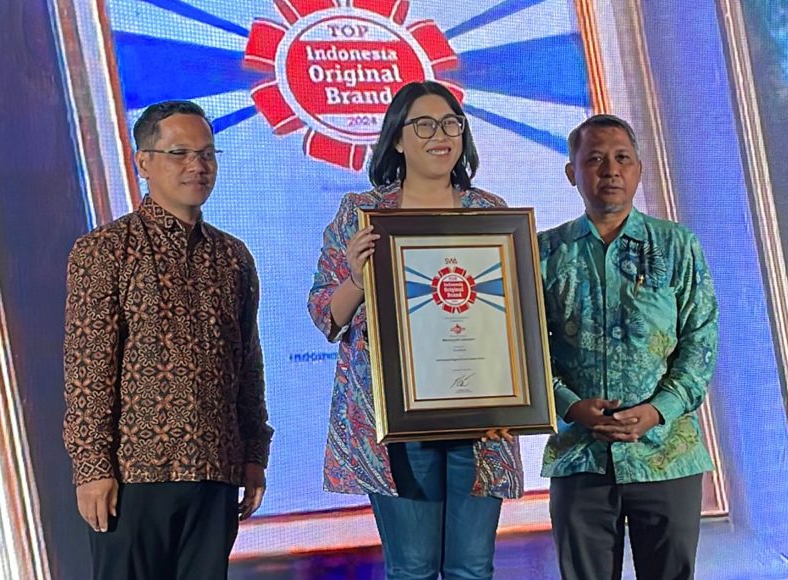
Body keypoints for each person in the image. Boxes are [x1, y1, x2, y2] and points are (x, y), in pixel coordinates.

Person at [307, 81, 523, 580]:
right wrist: (357, 280)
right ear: (398, 140)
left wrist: (519, 396)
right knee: (412, 568)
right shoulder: (362, 214)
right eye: (423, 125)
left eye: (450, 124)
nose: (440, 135)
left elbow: (516, 319)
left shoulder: (490, 213)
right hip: (396, 421)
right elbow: (324, 313)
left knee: (472, 568)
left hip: (480, 418)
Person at [63, 100, 273, 579]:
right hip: (134, 475)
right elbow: (87, 369)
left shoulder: (233, 257)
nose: (197, 166)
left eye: (207, 154)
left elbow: (247, 365)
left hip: (216, 470)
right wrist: (93, 468)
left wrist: (253, 454)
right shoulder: (105, 250)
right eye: (180, 153)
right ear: (144, 162)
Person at [540, 114, 719, 580]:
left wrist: (659, 410)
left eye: (622, 158)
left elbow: (700, 340)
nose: (610, 170)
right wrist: (571, 406)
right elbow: (526, 351)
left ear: (639, 169)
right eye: (595, 160)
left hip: (667, 454)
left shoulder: (677, 246)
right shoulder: (544, 253)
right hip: (580, 454)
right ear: (572, 172)